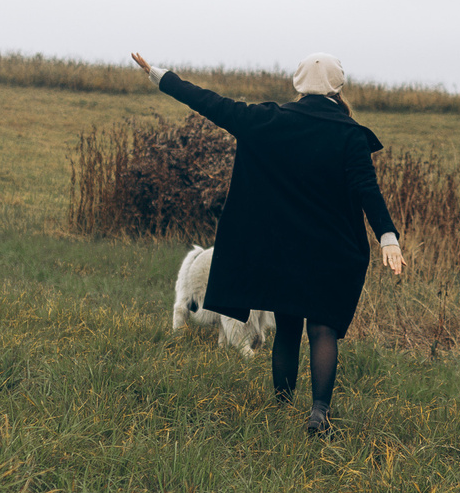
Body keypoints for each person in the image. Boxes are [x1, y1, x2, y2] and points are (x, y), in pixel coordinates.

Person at [131, 49, 405, 435]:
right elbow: (367, 191)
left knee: (289, 327)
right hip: (333, 253)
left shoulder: (266, 120)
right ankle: (319, 412)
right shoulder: (350, 135)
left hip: (284, 251)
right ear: (338, 87)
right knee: (323, 330)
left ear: (297, 85)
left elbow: (211, 102)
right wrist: (387, 238)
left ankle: (280, 406)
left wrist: (159, 76)